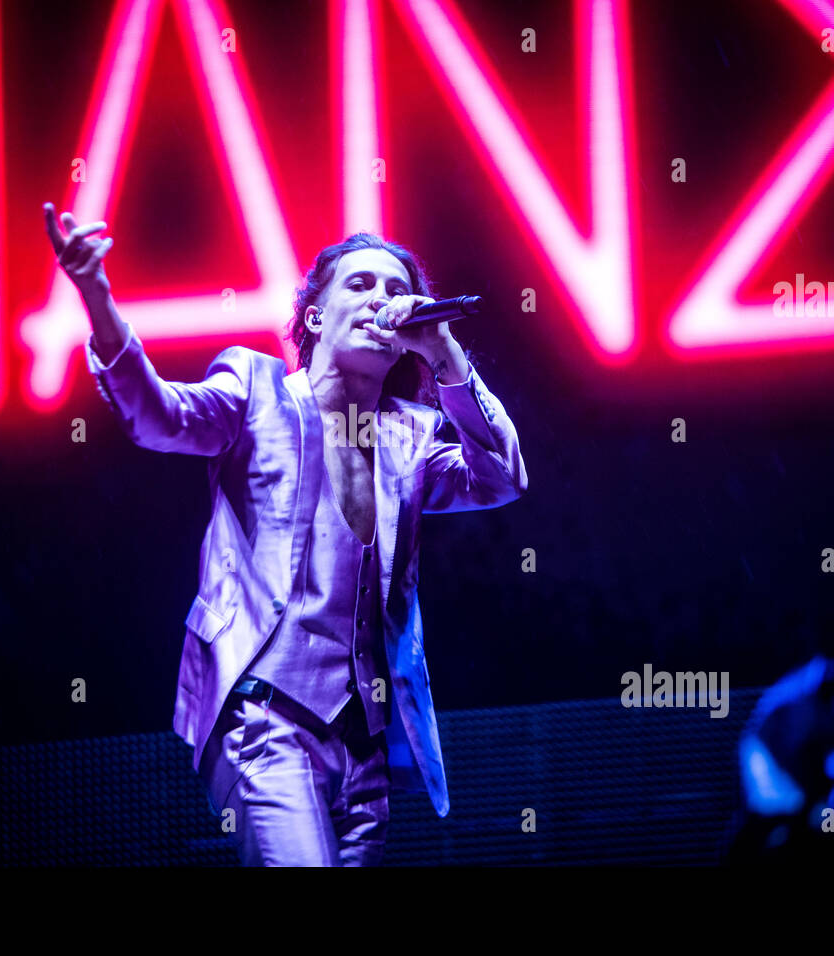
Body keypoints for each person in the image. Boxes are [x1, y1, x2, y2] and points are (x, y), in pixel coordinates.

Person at [43, 203, 527, 865]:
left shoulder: (407, 439)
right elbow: (156, 416)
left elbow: (502, 476)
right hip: (266, 717)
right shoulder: (256, 390)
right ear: (316, 317)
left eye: (396, 289)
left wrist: (444, 352)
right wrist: (97, 297)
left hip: (366, 746)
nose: (382, 300)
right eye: (360, 284)